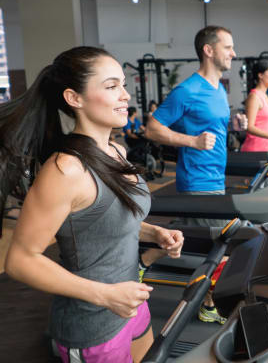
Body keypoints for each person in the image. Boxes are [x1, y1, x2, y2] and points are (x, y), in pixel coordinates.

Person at [2, 46, 184, 363]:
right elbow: (20, 260)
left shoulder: (116, 151)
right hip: (92, 327)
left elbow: (102, 219)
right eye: (112, 86)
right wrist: (106, 295)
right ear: (75, 98)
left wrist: (153, 233)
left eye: (123, 85)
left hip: (132, 303)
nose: (125, 95)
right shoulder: (65, 170)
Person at [145, 25, 245, 324]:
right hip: (198, 180)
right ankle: (209, 304)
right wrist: (191, 141)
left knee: (186, 235)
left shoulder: (219, 88)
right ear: (209, 50)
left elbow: (212, 128)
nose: (234, 53)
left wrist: (237, 124)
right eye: (228, 47)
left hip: (215, 177)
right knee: (226, 243)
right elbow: (152, 127)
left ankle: (142, 259)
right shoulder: (187, 90)